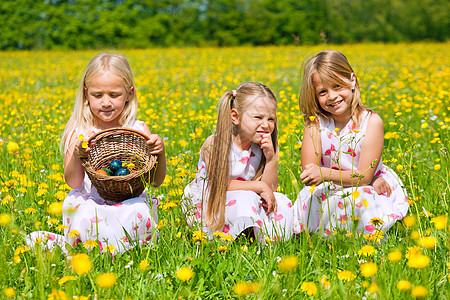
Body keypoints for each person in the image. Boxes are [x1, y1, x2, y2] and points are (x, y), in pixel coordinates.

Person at [27, 53, 166, 254]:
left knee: (137, 211)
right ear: (86, 94)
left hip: (128, 200)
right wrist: (77, 154)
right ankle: (100, 249)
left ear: (129, 93)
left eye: (114, 94)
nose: (106, 102)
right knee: (88, 215)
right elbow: (73, 183)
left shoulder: (138, 130)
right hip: (91, 201)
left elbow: (155, 182)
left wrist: (160, 153)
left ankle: (120, 251)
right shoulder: (79, 131)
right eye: (98, 95)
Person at [293, 50, 409, 238]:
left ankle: (362, 239)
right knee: (314, 199)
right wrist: (323, 175)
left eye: (337, 86)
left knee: (360, 199)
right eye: (323, 92)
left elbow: (363, 176)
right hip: (329, 186)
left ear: (352, 80)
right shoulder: (315, 124)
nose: (331, 96)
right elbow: (309, 171)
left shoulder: (371, 122)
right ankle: (324, 238)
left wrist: (327, 174)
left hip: (366, 184)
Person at [182, 82, 294, 242]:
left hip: (244, 200)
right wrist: (259, 186)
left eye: (271, 119)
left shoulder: (261, 147)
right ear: (235, 116)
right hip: (209, 204)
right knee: (245, 199)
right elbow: (219, 184)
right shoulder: (215, 144)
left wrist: (271, 159)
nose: (266, 125)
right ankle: (237, 242)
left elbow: (270, 190)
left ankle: (270, 247)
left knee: (281, 200)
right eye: (258, 117)